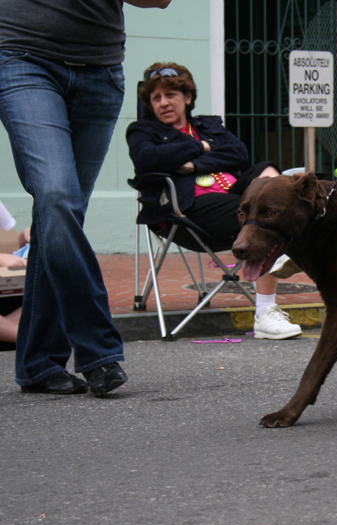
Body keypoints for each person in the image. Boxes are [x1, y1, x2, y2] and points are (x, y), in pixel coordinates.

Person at [0, 0, 172, 396]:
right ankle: (98, 350)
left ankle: (39, 363)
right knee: (58, 198)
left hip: (101, 71)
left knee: (59, 219)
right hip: (25, 58)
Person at [127, 62, 301, 340]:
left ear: (187, 98)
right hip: (185, 212)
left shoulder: (210, 125)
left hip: (234, 200)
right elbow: (148, 159)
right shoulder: (142, 131)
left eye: (170, 95)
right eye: (156, 98)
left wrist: (190, 165)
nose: (163, 103)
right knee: (266, 220)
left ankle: (280, 255)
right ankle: (265, 311)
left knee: (266, 172)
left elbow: (239, 154)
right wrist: (203, 146)